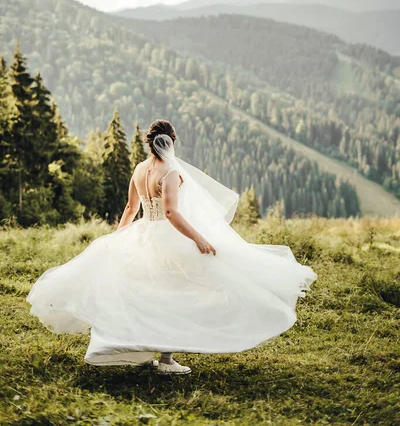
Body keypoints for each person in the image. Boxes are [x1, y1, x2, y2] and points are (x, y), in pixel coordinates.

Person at [26, 119, 317, 375]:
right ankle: (166, 358)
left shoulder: (140, 169)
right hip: (168, 237)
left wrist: (116, 237)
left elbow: (131, 207)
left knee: (143, 291)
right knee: (174, 291)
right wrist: (199, 238)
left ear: (149, 143)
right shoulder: (171, 173)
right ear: (171, 142)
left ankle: (141, 351)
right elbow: (171, 213)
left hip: (142, 233)